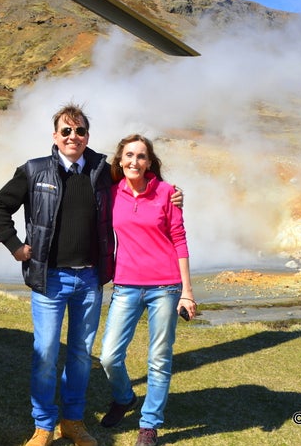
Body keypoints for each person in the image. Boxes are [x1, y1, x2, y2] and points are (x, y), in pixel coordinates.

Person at [0, 106, 182, 446]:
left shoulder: (100, 170)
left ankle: (73, 421)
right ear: (55, 136)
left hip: (89, 281)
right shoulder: (34, 171)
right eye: (65, 132)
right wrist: (15, 246)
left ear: (87, 137)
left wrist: (171, 193)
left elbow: (139, 181)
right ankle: (44, 425)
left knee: (80, 356)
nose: (72, 137)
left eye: (78, 132)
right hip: (49, 280)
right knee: (46, 354)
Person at [98, 134, 195, 446]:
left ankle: (149, 424)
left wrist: (187, 291)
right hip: (126, 285)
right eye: (129, 155)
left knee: (159, 357)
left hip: (166, 287)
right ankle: (124, 397)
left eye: (141, 156)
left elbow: (179, 240)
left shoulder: (167, 193)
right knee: (109, 356)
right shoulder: (112, 194)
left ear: (149, 162)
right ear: (120, 160)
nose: (134, 161)